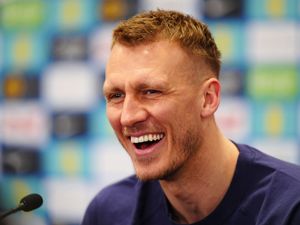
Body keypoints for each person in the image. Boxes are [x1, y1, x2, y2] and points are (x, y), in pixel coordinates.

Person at [82, 9, 300, 225]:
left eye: (151, 91)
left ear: (208, 98)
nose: (128, 117)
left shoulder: (290, 207)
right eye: (116, 95)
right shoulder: (107, 212)